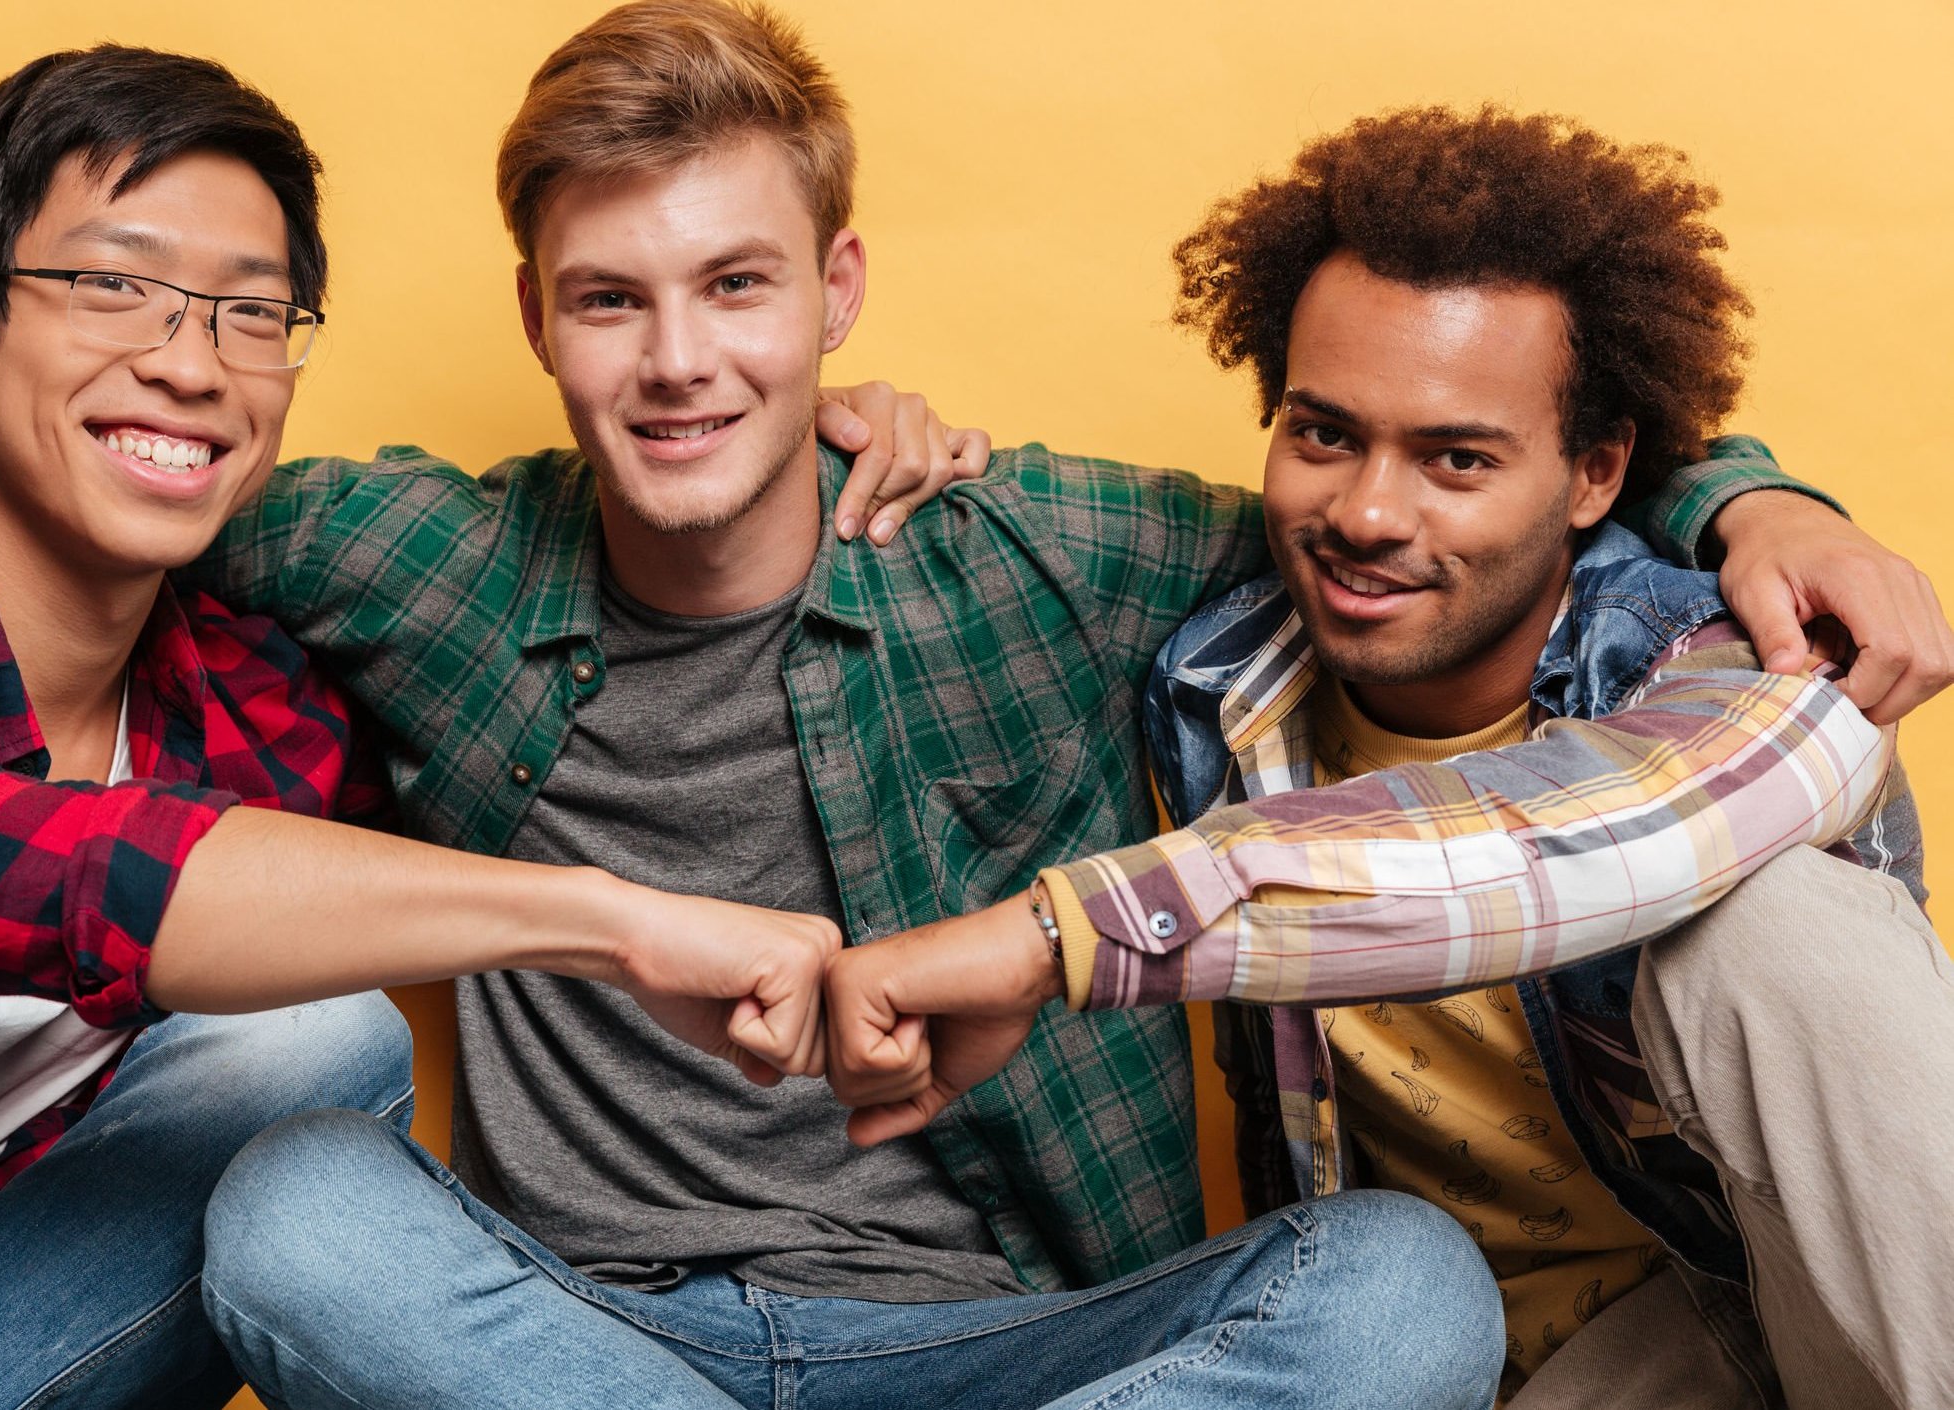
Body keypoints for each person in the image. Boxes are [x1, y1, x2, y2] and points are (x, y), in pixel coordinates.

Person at [0, 3, 1950, 1406]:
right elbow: (70, 446)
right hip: (582, 1344)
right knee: (296, 1199)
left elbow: (1449, 505)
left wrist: (1752, 486)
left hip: (1003, 1347)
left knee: (1393, 1292)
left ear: (835, 291)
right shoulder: (407, 556)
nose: (681, 357)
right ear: (536, 321)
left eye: (736, 284)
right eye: (610, 300)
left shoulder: (1046, 542)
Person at [0, 44, 922, 1410]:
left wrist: (781, 417)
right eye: (117, 288)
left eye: (248, 309)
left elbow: (649, 614)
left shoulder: (266, 708)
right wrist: (614, 921)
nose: (191, 362)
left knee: (306, 1045)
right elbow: (49, 875)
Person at [820, 108, 1953, 1407]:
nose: (1366, 511)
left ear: (1597, 473)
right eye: (1323, 433)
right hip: (1463, 1357)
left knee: (1777, 921)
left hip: (1792, 1323)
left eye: (1456, 458)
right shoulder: (1217, 676)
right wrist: (842, 433)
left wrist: (1055, 939)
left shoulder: (1742, 648)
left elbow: (1592, 833)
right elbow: (963, 532)